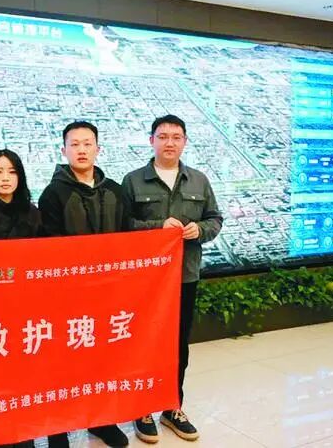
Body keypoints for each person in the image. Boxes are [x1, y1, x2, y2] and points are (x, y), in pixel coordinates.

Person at [121, 114, 223, 444]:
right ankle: (142, 409)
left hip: (184, 276)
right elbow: (122, 226)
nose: (169, 143)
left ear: (185, 142)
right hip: (146, 280)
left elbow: (215, 219)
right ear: (151, 140)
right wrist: (156, 229)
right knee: (143, 343)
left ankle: (171, 406)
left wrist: (200, 230)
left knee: (178, 345)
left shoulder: (199, 180)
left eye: (176, 137)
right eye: (162, 136)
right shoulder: (133, 181)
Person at [38, 121, 130, 448]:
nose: (81, 150)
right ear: (64, 150)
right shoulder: (53, 194)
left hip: (108, 292)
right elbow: (49, 247)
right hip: (68, 295)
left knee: (103, 360)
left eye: (87, 143)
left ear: (97, 149)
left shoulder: (115, 191)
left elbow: (129, 241)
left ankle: (101, 420)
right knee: (62, 364)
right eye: (74, 144)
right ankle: (58, 429)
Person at [0, 149, 42, 448]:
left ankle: (24, 436)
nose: (5, 178)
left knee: (25, 377)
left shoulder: (34, 214)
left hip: (27, 308)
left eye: (12, 172)